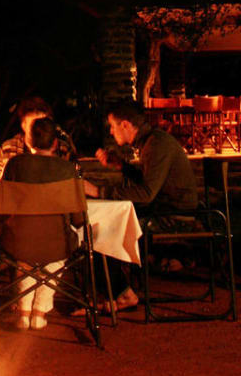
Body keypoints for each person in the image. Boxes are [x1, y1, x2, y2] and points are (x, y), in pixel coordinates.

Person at [82, 99, 198, 311]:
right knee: (106, 228)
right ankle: (119, 289)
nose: (111, 131)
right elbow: (150, 182)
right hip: (167, 210)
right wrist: (121, 166)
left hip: (175, 217)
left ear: (125, 125)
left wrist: (98, 191)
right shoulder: (151, 142)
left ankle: (122, 294)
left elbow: (146, 194)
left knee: (104, 232)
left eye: (112, 126)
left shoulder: (157, 144)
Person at [0, 118, 80, 329]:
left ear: (30, 141)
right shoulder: (67, 170)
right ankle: (39, 311)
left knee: (26, 258)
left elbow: (3, 207)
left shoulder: (15, 165)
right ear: (55, 143)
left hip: (19, 241)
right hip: (56, 242)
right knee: (54, 258)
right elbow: (78, 219)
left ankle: (24, 312)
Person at [0, 96, 76, 175]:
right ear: (24, 124)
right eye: (34, 125)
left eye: (44, 124)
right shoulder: (8, 149)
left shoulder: (63, 150)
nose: (40, 129)